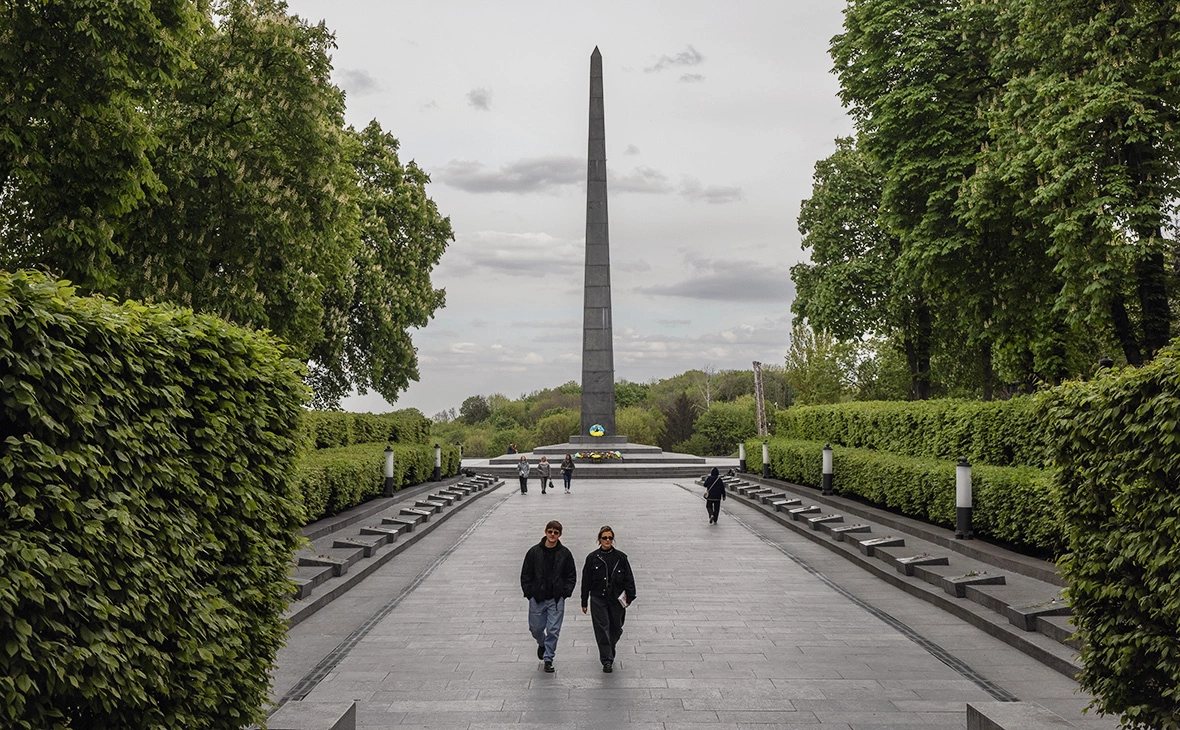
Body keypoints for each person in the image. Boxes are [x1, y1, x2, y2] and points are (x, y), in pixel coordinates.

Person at [520, 520, 577, 673]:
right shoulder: (534, 552)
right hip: (537, 597)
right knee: (535, 628)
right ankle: (542, 643)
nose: (552, 535)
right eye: (550, 531)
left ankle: (548, 658)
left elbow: (571, 574)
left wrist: (566, 592)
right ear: (545, 532)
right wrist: (529, 592)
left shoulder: (565, 553)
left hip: (556, 599)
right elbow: (526, 573)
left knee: (553, 629)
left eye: (556, 532)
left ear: (560, 535)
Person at [581, 525, 636, 673]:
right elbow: (586, 580)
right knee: (602, 628)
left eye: (610, 538)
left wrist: (630, 596)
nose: (607, 540)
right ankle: (607, 660)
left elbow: (629, 578)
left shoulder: (621, 558)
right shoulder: (592, 558)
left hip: (617, 599)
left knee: (616, 628)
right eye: (604, 538)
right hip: (598, 598)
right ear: (599, 539)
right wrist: (584, 600)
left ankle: (610, 648)